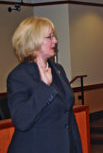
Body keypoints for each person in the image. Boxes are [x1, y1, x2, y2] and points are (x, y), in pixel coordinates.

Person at [6, 17, 82, 153]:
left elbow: (68, 117)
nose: (55, 41)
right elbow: (22, 120)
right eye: (49, 37)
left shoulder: (58, 69)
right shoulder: (19, 76)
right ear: (33, 42)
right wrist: (44, 88)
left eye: (54, 36)